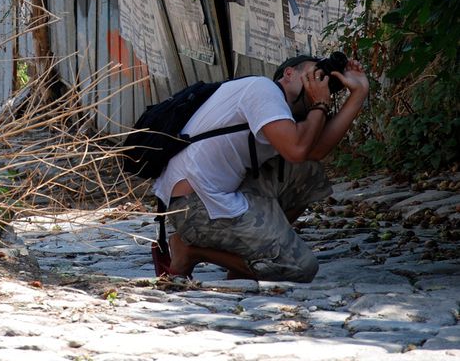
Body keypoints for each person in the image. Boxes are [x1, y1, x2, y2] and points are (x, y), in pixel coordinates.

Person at [152, 55, 369, 282]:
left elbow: (314, 151)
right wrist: (321, 103)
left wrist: (358, 92)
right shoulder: (262, 88)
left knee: (308, 172)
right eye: (313, 74)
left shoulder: (282, 115)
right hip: (193, 207)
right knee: (298, 268)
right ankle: (189, 251)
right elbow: (297, 149)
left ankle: (249, 257)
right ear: (288, 74)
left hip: (217, 195)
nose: (318, 84)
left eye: (323, 81)